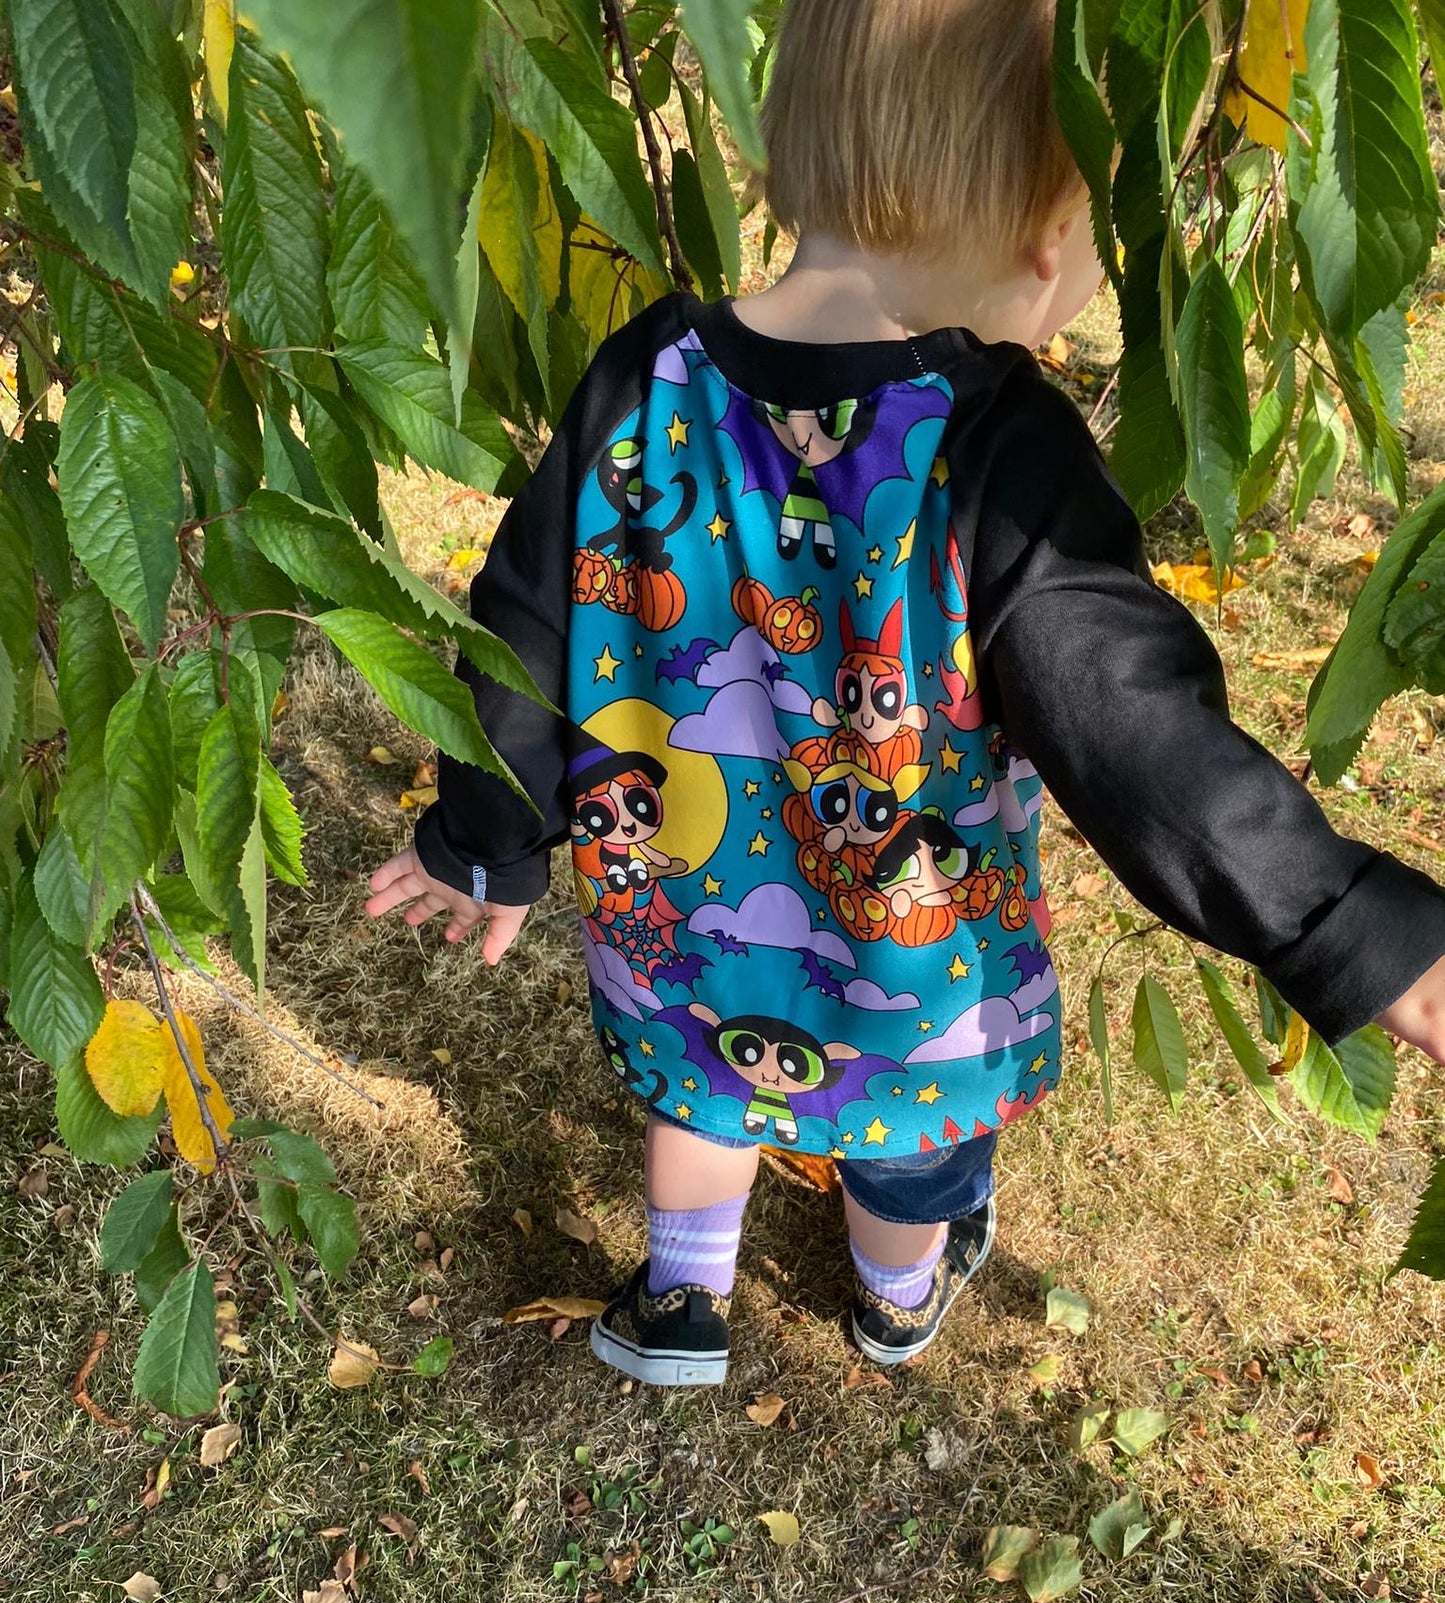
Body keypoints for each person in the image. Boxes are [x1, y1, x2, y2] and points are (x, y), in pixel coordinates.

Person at [365, 0, 1445, 1388]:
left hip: (678, 907)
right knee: (912, 1138)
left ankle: (682, 1300)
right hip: (905, 958)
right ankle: (894, 1298)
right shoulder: (998, 441)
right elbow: (1133, 731)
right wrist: (1357, 930)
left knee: (704, 1080)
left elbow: (525, 621)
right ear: (1046, 243)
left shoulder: (644, 372)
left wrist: (486, 842)